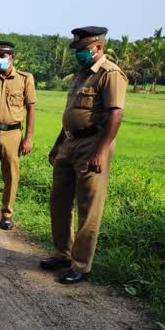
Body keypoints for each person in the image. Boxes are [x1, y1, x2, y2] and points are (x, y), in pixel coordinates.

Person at [40, 26, 127, 284]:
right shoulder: (80, 74)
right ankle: (62, 253)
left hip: (93, 143)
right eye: (76, 50)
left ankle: (80, 264)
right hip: (70, 142)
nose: (79, 54)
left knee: (88, 207)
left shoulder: (110, 74)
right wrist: (58, 144)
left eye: (82, 50)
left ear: (98, 47)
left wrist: (100, 151)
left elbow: (115, 114)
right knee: (59, 201)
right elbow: (72, 113)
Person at [0, 41, 37, 233]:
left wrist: (28, 138)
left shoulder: (25, 78)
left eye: (2, 56)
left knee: (11, 176)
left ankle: (6, 214)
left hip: (13, 133)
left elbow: (31, 109)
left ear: (12, 57)